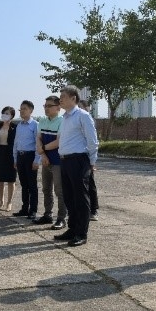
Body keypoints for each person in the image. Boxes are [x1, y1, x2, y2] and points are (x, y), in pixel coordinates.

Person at [51, 85, 99, 247]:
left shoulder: (83, 116)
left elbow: (92, 141)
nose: (60, 100)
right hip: (65, 161)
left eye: (63, 97)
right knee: (69, 197)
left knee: (80, 198)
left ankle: (81, 233)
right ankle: (72, 229)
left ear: (73, 98)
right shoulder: (65, 118)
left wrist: (91, 162)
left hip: (79, 160)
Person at [34, 95, 67, 229]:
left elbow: (59, 142)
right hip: (45, 160)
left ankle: (61, 218)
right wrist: (42, 154)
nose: (46, 108)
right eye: (45, 106)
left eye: (49, 106)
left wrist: (42, 149)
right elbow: (38, 138)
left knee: (59, 190)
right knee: (46, 189)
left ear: (58, 107)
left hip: (58, 161)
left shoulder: (62, 121)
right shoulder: (42, 121)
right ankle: (48, 214)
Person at [12, 100, 41, 219]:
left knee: (32, 185)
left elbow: (38, 144)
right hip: (20, 156)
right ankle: (24, 208)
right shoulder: (19, 125)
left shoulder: (35, 125)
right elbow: (16, 143)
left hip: (30, 156)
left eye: (24, 109)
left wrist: (37, 160)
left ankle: (33, 210)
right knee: (24, 184)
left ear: (31, 110)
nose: (22, 111)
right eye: (21, 109)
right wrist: (15, 159)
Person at [79, 99, 99, 221]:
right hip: (78, 157)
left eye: (81, 107)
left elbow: (93, 141)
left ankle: (94, 209)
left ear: (87, 108)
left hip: (87, 156)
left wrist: (93, 160)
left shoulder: (88, 119)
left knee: (90, 184)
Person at [0, 106, 17, 211]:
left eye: (7, 113)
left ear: (12, 115)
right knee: (0, 179)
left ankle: (9, 202)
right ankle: (1, 201)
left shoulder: (15, 127)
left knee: (11, 179)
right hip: (0, 152)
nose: (5, 115)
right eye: (4, 113)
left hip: (11, 153)